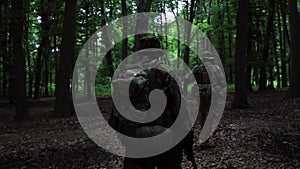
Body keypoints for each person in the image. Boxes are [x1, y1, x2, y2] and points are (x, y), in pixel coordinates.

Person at [109, 36, 197, 169]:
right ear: (157, 53)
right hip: (163, 135)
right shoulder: (166, 71)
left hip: (134, 135)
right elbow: (180, 108)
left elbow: (115, 113)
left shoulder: (125, 73)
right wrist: (186, 135)